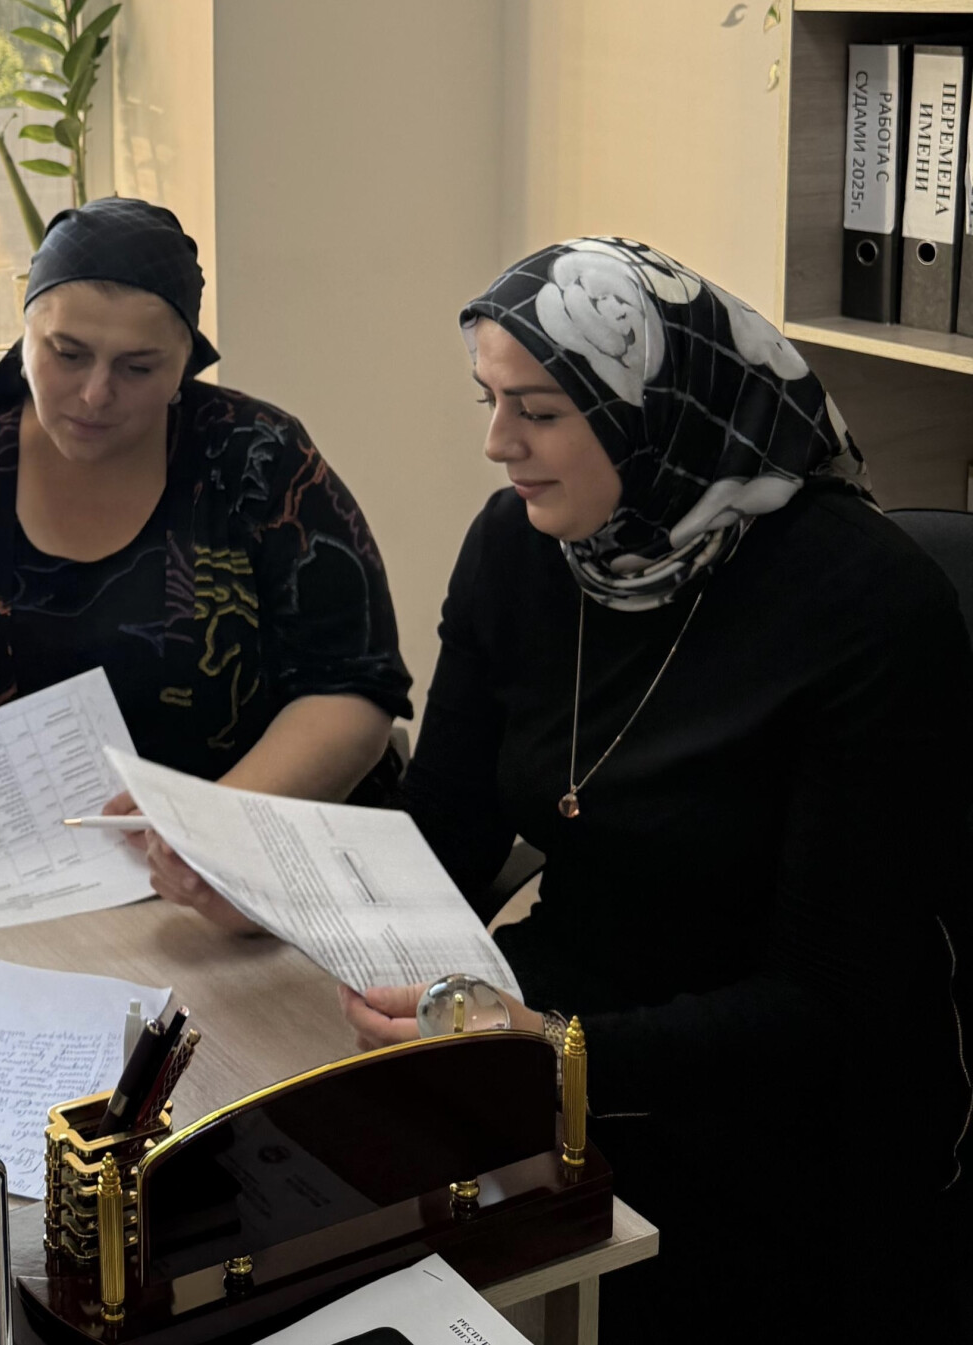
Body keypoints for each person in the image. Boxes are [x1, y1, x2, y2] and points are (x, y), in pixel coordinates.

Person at [328, 238, 972, 1335]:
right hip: (557, 1014)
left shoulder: (866, 606)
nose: (497, 444)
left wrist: (555, 1053)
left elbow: (827, 1001)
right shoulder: (523, 547)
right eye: (490, 400)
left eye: (538, 411)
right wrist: (263, 879)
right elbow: (448, 830)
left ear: (649, 408)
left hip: (783, 1101)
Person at [0, 199, 413, 917]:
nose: (95, 394)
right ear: (23, 338)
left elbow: (354, 692)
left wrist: (215, 830)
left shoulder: (257, 463)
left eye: (138, 367)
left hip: (232, 897)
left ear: (186, 365)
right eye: (67, 354)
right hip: (3, 888)